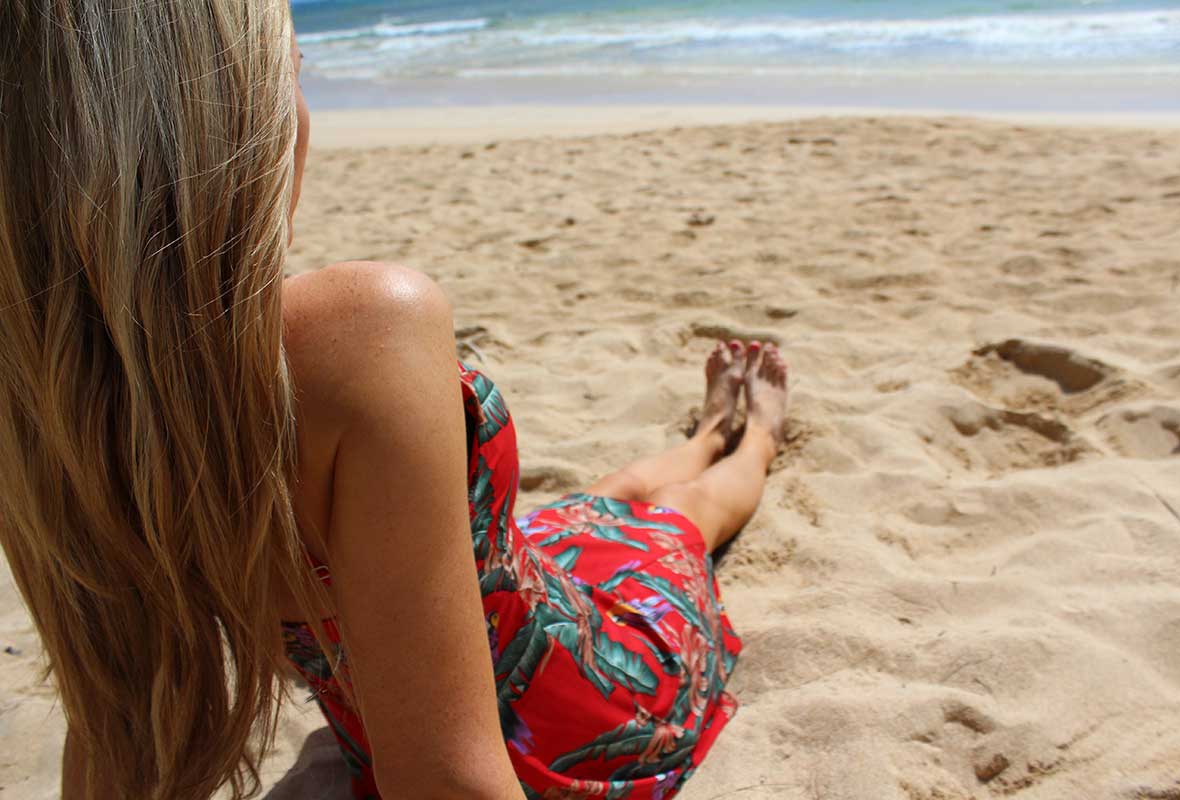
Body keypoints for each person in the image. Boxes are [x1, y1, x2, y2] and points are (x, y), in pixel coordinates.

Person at [0, 1, 787, 799]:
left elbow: (110, 732)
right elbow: (451, 784)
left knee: (596, 508)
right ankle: (748, 435)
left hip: (396, 702)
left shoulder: (46, 405)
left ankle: (702, 434)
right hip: (576, 712)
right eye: (288, 82)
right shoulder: (361, 328)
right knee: (678, 519)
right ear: (225, 124)